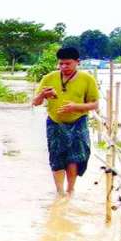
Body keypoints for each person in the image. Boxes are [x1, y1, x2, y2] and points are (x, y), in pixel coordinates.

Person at [32, 46, 99, 196]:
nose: (63, 67)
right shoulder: (49, 78)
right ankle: (60, 192)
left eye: (68, 64)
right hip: (55, 122)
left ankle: (70, 190)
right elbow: (35, 102)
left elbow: (95, 104)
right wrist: (42, 95)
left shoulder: (87, 79)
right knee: (56, 156)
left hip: (78, 121)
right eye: (60, 63)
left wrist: (75, 107)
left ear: (77, 62)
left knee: (74, 157)